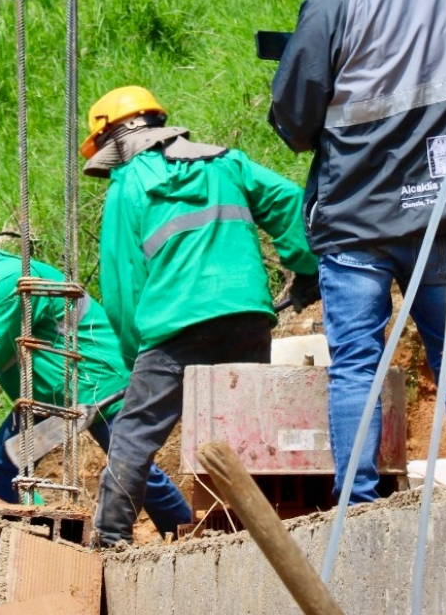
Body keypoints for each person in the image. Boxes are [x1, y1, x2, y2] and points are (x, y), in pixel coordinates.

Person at [269, 0, 446, 504]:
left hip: (357, 217)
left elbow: (294, 119)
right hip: (444, 206)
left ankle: (360, 500)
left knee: (356, 368)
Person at [82, 86, 319, 546]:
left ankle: (110, 537)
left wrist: (136, 353)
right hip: (247, 315)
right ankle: (255, 528)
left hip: (175, 329)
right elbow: (290, 202)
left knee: (135, 431)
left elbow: (122, 286)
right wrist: (305, 266)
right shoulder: (225, 163)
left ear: (113, 138)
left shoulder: (127, 186)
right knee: (244, 426)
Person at [0, 204, 192, 532]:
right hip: (49, 397)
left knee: (129, 465)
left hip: (94, 380)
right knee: (4, 459)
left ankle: (185, 533)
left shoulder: (6, 282)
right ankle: (12, 541)